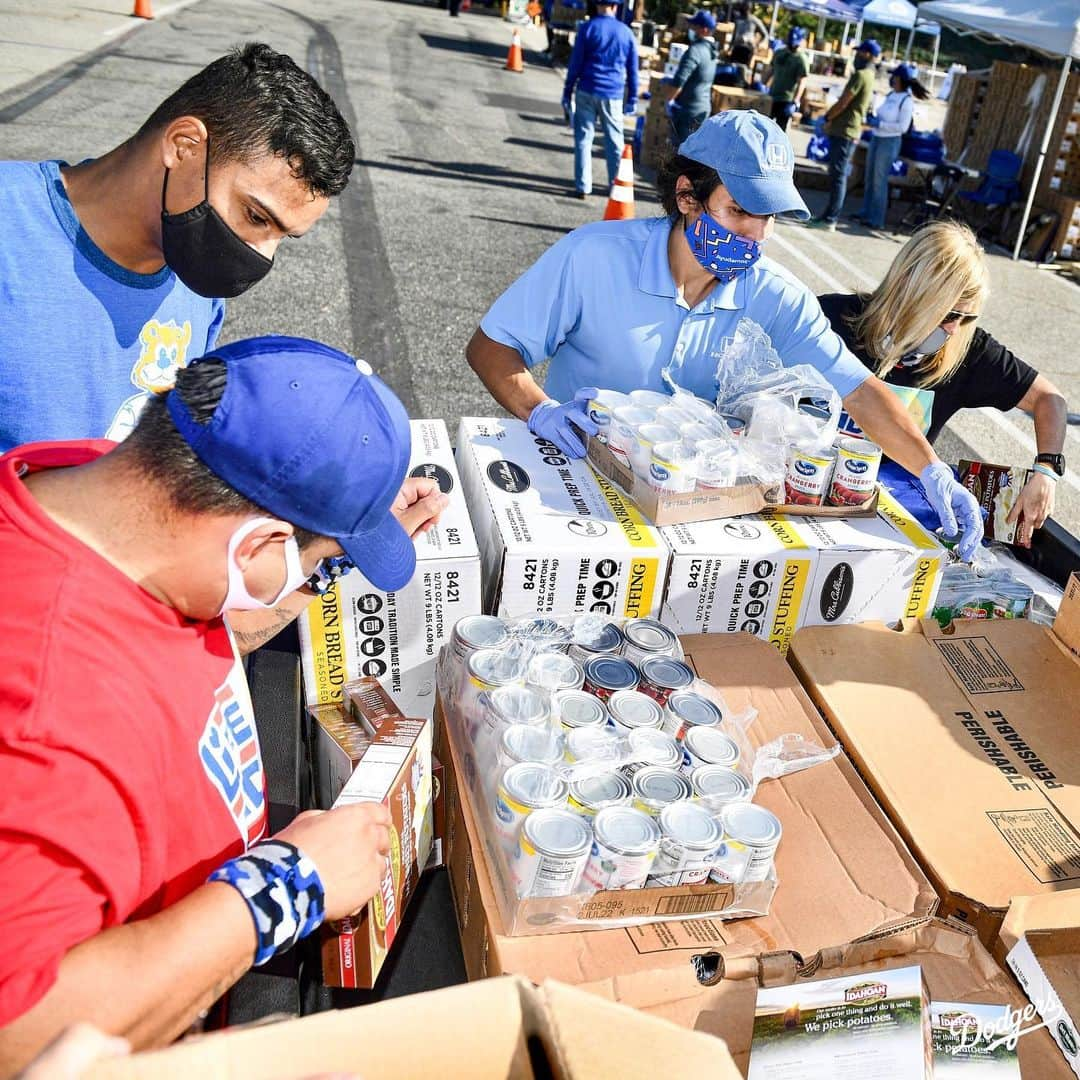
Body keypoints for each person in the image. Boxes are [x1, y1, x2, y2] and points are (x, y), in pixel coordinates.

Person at [0, 336, 448, 1072]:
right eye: (320, 563)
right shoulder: (46, 720)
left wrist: (333, 537)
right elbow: (23, 1032)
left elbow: (190, 619)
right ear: (255, 544)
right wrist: (284, 888)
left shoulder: (100, 490)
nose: (320, 579)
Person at [466, 110, 984, 557]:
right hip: (574, 482)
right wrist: (540, 409)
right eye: (738, 212)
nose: (755, 236)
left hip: (691, 508)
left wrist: (931, 469)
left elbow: (859, 390)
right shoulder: (593, 256)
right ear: (687, 197)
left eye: (768, 218)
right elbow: (491, 347)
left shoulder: (777, 295)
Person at [0, 43, 354, 451]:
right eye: (256, 217)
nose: (263, 255)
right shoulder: (11, 227)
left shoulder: (195, 283)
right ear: (184, 146)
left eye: (284, 237)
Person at [818, 222, 1067, 547]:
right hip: (811, 486)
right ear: (911, 289)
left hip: (890, 519)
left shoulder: (967, 351)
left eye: (967, 319)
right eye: (950, 314)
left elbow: (1049, 398)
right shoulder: (829, 319)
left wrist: (1047, 469)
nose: (954, 329)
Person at [562, 0, 639, 199]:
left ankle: (583, 186)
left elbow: (575, 63)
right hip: (612, 93)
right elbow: (633, 70)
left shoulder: (587, 28)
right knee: (614, 141)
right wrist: (632, 98)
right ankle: (616, 184)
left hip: (586, 89)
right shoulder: (626, 32)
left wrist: (567, 90)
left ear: (597, 5)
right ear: (615, 7)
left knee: (583, 139)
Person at [807, 39, 880, 231]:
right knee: (837, 175)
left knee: (838, 176)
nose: (857, 56)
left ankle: (831, 218)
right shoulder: (869, 76)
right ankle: (828, 215)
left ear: (868, 55)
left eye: (860, 52)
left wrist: (828, 117)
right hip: (847, 130)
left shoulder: (861, 75)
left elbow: (844, 101)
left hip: (845, 131)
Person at [859, 62, 929, 230]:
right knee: (869, 177)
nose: (892, 79)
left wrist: (881, 124)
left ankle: (876, 219)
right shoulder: (891, 95)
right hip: (877, 138)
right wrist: (873, 119)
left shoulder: (906, 101)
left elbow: (902, 127)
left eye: (895, 76)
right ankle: (865, 212)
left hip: (889, 142)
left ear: (900, 79)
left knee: (879, 180)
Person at [666, 11, 719, 146]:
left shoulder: (695, 50)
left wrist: (669, 100)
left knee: (681, 152)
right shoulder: (712, 52)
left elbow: (680, 79)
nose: (691, 30)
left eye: (694, 26)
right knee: (693, 152)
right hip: (703, 108)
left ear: (704, 30)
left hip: (689, 110)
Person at [767, 26, 810, 132]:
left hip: (786, 99)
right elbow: (770, 70)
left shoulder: (801, 59)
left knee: (779, 131)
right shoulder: (779, 53)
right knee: (766, 127)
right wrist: (762, 85)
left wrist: (796, 101)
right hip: (772, 96)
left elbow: (802, 82)